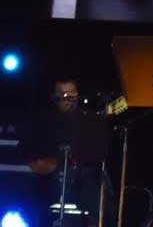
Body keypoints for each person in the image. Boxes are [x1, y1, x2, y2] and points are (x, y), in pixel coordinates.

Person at [23, 79, 114, 227]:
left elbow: (98, 151)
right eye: (65, 96)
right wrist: (44, 163)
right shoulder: (44, 120)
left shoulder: (88, 119)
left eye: (73, 95)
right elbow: (29, 150)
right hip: (50, 181)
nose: (69, 100)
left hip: (83, 180)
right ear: (55, 97)